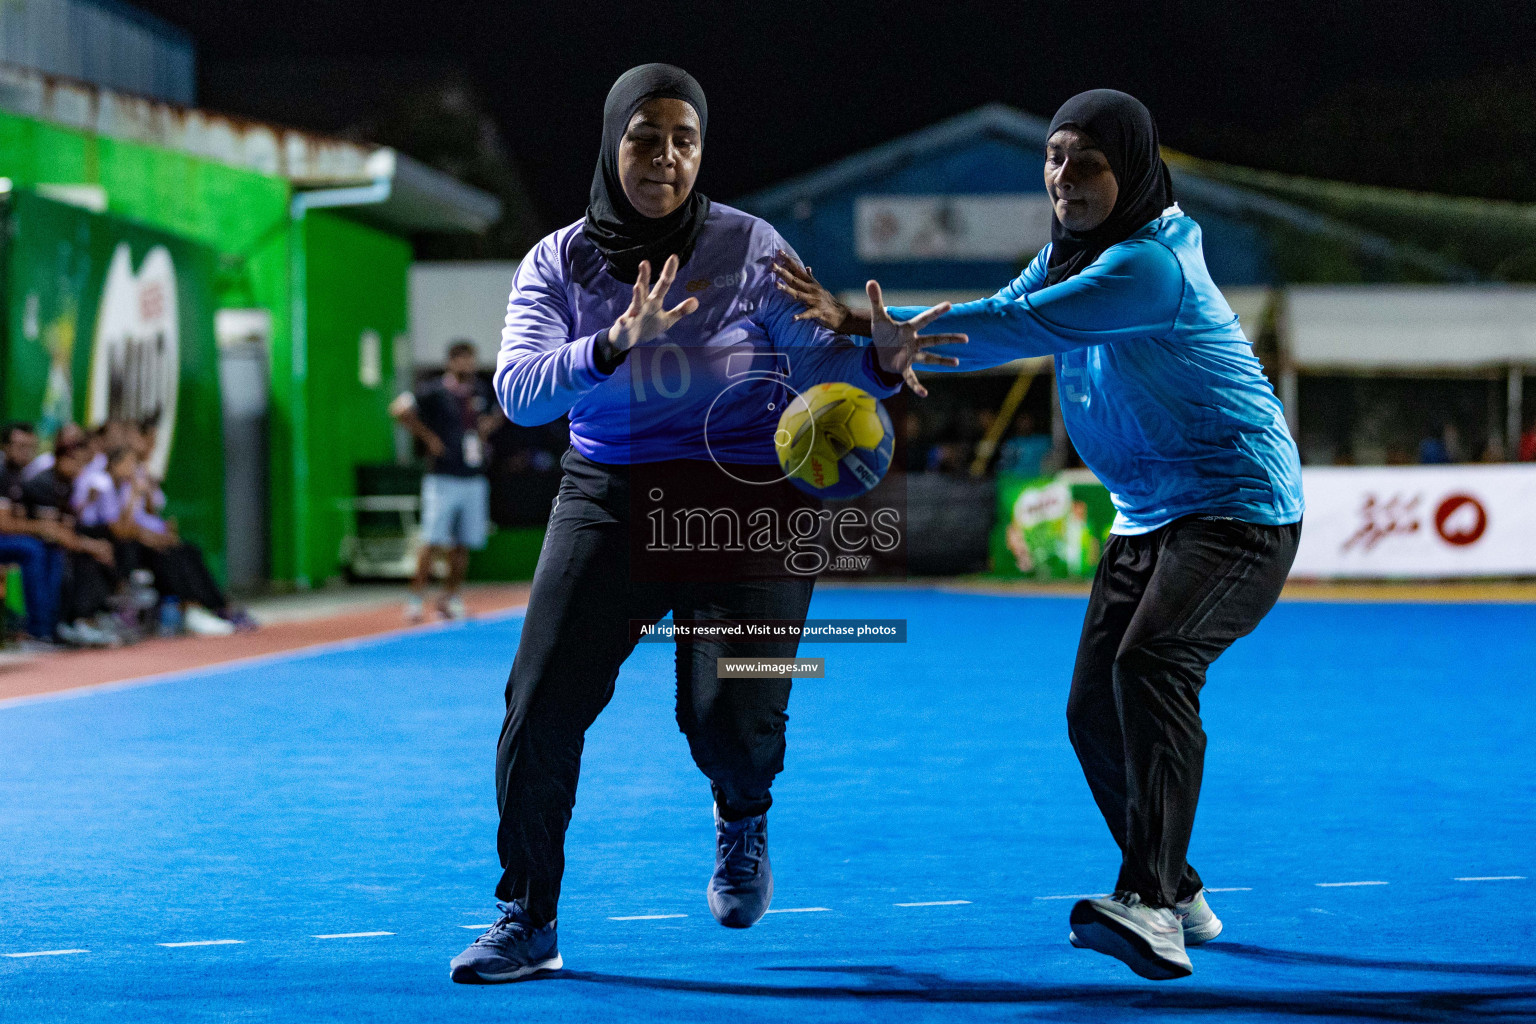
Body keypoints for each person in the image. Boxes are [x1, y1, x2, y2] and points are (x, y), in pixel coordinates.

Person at [774, 89, 1303, 981]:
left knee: (1154, 664)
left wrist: (878, 332)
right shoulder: (1070, 253)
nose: (1064, 176)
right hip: (1150, 514)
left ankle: (1148, 903)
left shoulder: (1151, 266)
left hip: (1238, 508)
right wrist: (871, 335)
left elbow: (1020, 327)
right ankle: (1180, 890)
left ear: (1129, 169)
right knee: (1091, 711)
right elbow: (1003, 304)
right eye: (1054, 157)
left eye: (1086, 160)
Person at [449, 64, 958, 985]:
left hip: (749, 500)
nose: (668, 159)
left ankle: (743, 810)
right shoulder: (558, 262)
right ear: (613, 142)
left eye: (686, 141)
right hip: (608, 494)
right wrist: (609, 345)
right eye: (648, 137)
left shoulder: (752, 248)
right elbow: (519, 393)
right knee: (540, 706)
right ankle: (527, 916)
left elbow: (819, 357)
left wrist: (878, 362)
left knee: (725, 714)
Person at [75, 446, 241, 637]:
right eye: (129, 463)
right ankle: (189, 609)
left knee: (188, 550)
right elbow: (122, 530)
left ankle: (216, 607)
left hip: (132, 542)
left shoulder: (126, 485)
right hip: (113, 546)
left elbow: (145, 518)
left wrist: (155, 531)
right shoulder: (103, 485)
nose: (132, 468)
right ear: (115, 464)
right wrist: (138, 503)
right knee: (166, 556)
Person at [390, 340, 501, 622]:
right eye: (463, 359)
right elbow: (398, 409)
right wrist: (428, 439)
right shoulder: (433, 391)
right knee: (433, 540)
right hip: (442, 478)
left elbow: (497, 415)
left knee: (463, 544)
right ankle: (415, 601)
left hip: (474, 477)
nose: (468, 365)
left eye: (472, 359)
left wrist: (487, 427)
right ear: (451, 362)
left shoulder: (480, 391)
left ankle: (450, 599)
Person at [22, 438, 122, 646]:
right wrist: (90, 546)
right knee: (55, 554)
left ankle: (86, 618)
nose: (79, 468)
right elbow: (52, 530)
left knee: (103, 545)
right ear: (60, 459)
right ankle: (45, 628)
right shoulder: (42, 484)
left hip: (51, 538)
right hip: (36, 539)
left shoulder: (68, 484)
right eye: (75, 462)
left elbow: (68, 523)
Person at [0, 422, 67, 645]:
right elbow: (4, 524)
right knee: (32, 549)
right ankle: (36, 630)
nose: (25, 452)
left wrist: (45, 525)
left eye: (30, 446)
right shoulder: (1, 473)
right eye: (19, 446)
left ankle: (50, 626)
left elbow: (16, 517)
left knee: (53, 548)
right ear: (5, 446)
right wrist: (38, 527)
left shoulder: (20, 475)